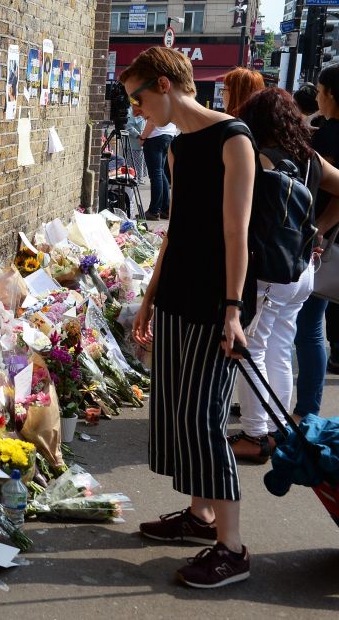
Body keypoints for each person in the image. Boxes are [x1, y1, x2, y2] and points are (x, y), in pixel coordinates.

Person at [124, 47, 256, 588]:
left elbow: (236, 234)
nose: (136, 110)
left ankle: (234, 548)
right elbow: (175, 232)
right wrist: (149, 298)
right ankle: (201, 517)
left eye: (138, 98)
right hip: (177, 295)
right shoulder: (179, 148)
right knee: (180, 410)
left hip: (213, 301)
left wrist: (232, 309)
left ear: (163, 84)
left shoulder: (235, 139)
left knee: (203, 419)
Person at [229, 88, 339, 461]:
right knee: (279, 344)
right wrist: (320, 226)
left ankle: (256, 435)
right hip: (303, 266)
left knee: (253, 347)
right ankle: (277, 427)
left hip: (269, 268)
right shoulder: (312, 160)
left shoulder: (258, 157)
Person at [295, 64, 339, 415]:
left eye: (321, 92)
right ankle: (297, 405)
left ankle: (305, 409)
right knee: (308, 325)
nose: (318, 98)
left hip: (320, 240)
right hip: (324, 238)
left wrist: (319, 228)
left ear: (332, 95)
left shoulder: (329, 137)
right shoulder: (325, 131)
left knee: (308, 327)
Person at [138, 109, 177, 220]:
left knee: (156, 175)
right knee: (160, 173)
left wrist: (142, 137)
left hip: (155, 138)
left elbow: (152, 122)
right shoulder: (170, 100)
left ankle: (154, 210)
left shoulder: (156, 99)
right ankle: (165, 209)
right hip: (168, 136)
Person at [125, 107, 148, 182]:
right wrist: (139, 136)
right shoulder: (131, 110)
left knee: (140, 161)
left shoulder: (143, 109)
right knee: (134, 162)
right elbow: (128, 127)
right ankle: (135, 178)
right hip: (134, 143)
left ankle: (138, 178)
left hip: (141, 142)